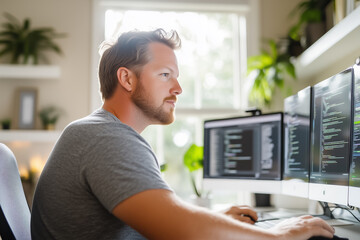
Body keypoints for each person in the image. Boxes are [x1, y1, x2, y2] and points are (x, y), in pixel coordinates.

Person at [31, 28, 335, 240]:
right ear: (126, 78)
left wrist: (216, 219)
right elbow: (184, 232)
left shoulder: (100, 132)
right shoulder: (106, 138)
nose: (178, 89)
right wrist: (277, 235)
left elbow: (163, 218)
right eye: (165, 75)